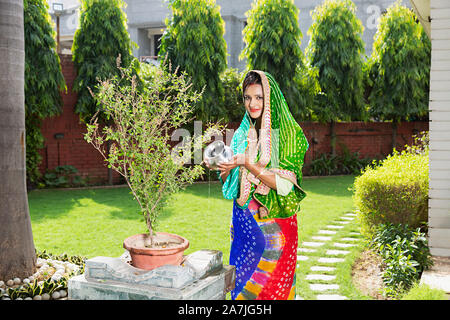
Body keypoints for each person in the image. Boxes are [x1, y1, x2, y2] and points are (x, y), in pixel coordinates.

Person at [212, 70, 309, 300]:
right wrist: (223, 169)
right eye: (247, 97)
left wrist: (248, 163)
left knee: (273, 291)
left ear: (270, 98)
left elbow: (285, 187)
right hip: (244, 229)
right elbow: (232, 185)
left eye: (258, 97)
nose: (252, 103)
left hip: (275, 232)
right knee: (243, 290)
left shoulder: (288, 134)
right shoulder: (241, 134)